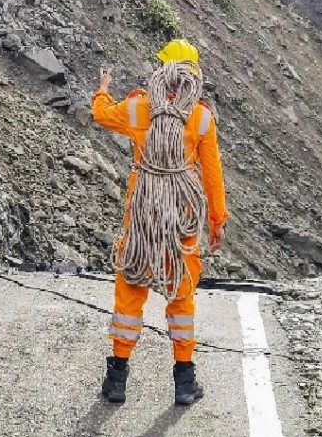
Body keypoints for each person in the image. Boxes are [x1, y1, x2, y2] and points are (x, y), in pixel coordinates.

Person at [91, 38, 230, 406]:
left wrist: (103, 91)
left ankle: (117, 379)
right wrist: (217, 220)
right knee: (181, 294)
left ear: (162, 69)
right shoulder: (201, 116)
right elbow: (212, 175)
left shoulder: (139, 106)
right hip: (180, 218)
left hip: (143, 214)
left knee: (131, 287)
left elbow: (102, 116)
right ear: (193, 75)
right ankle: (184, 382)